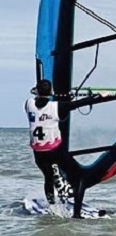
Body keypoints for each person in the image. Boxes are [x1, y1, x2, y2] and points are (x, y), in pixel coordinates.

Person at [25, 79, 85, 218]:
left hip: (39, 154)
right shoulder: (56, 107)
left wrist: (46, 94)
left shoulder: (28, 104)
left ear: (37, 91)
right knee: (79, 178)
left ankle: (53, 208)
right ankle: (77, 214)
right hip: (55, 152)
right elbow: (80, 103)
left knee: (48, 178)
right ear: (50, 91)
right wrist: (101, 97)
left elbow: (37, 98)